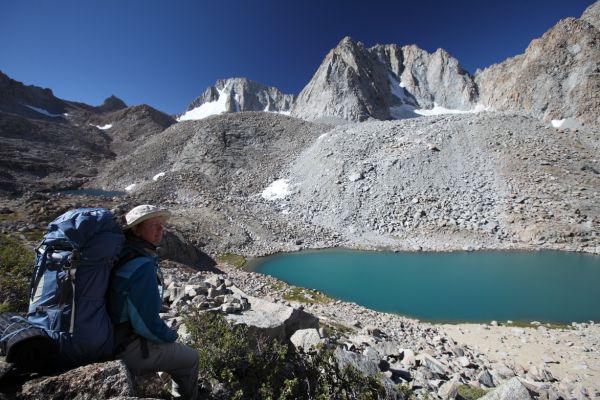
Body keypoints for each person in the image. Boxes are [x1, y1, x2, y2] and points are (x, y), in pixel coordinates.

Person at [108, 204, 199, 400]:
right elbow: (146, 324)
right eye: (153, 225)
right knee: (190, 358)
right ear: (136, 229)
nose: (161, 231)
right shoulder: (141, 267)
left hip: (108, 334)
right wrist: (170, 335)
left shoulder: (121, 254)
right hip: (123, 346)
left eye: (161, 225)